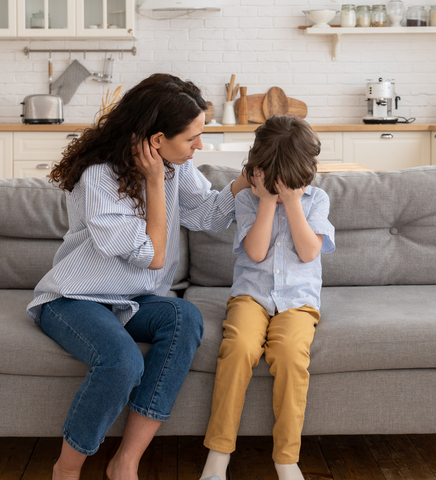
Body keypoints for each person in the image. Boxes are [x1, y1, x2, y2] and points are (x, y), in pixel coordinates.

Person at [26, 73, 250, 480]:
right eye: (191, 138)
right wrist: (153, 182)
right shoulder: (99, 179)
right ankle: (66, 469)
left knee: (185, 318)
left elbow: (209, 215)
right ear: (156, 139)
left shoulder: (174, 167)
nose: (199, 146)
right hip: (74, 299)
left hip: (130, 300)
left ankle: (125, 462)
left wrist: (247, 177)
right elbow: (154, 255)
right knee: (123, 363)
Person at [200, 115, 335, 480]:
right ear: (259, 172)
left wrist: (291, 203)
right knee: (239, 348)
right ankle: (218, 456)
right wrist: (265, 202)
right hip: (251, 297)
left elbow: (309, 253)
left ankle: (286, 458)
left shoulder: (316, 199)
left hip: (298, 302)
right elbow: (256, 253)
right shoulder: (247, 199)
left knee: (291, 356)